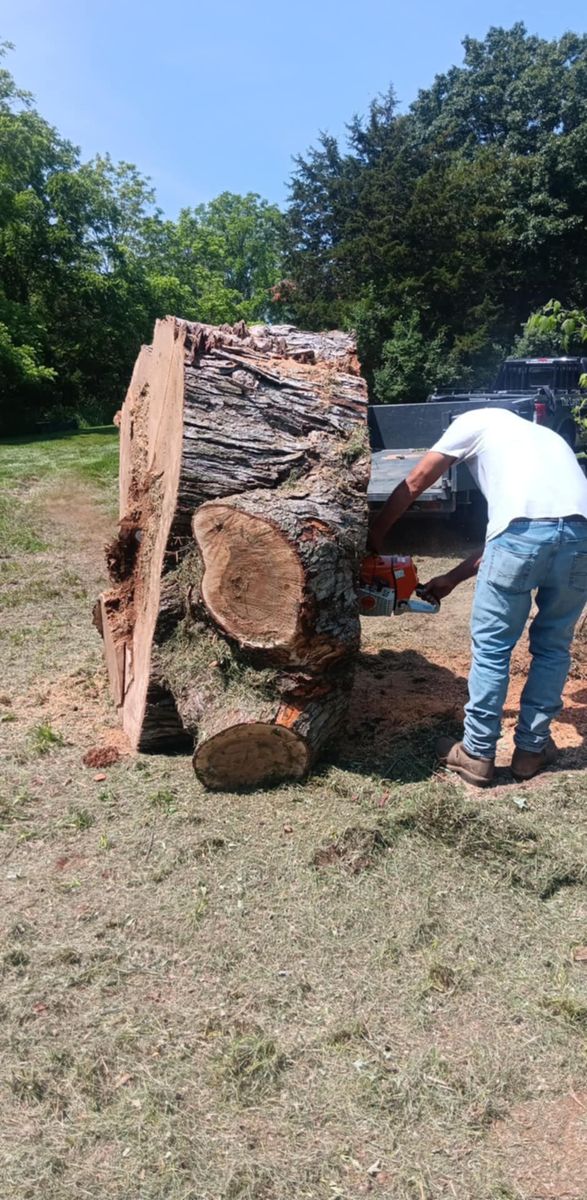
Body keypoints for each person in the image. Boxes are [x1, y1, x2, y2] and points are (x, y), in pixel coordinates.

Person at [369, 407, 587, 787]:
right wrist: (453, 578)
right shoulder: (546, 438)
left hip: (522, 535)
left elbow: (417, 480)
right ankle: (531, 750)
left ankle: (477, 752)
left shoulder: (470, 422)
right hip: (581, 537)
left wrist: (372, 538)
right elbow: (532, 531)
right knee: (554, 647)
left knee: (493, 648)